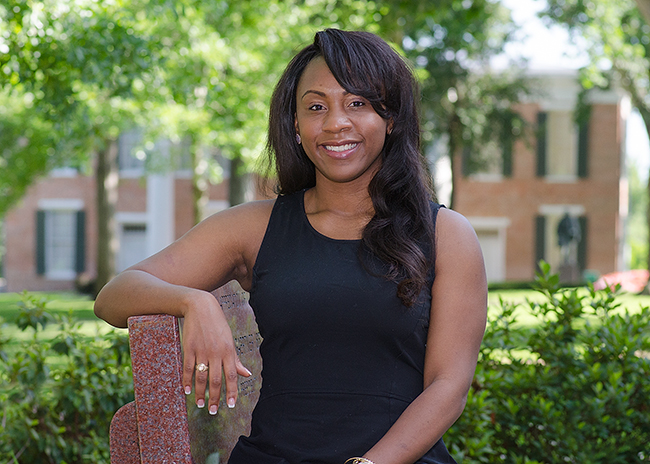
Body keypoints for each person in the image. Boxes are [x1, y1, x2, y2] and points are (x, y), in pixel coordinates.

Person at [95, 28, 487, 464]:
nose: (336, 122)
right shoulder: (254, 226)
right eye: (316, 106)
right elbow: (114, 295)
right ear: (296, 126)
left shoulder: (446, 235)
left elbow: (448, 385)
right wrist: (192, 302)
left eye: (357, 103)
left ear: (390, 119)